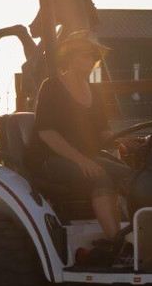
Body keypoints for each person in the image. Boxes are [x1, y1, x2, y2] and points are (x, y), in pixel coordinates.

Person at [25, 30, 132, 253]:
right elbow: (47, 133)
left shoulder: (94, 90)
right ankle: (117, 244)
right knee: (99, 176)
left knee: (130, 176)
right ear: (71, 56)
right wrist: (81, 160)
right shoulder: (52, 86)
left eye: (95, 57)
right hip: (50, 159)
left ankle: (137, 237)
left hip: (87, 157)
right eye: (87, 55)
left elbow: (103, 132)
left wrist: (126, 142)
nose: (93, 60)